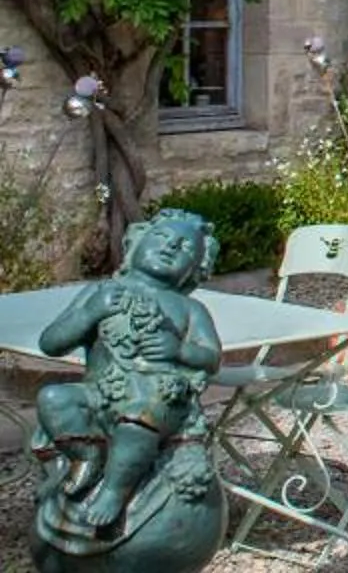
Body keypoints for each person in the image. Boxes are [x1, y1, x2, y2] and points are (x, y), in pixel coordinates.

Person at [31, 209, 223, 542]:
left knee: (139, 419)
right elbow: (51, 343)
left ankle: (115, 491)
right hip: (102, 391)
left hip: (158, 398)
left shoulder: (191, 309)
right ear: (135, 243)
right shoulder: (102, 293)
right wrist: (91, 313)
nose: (171, 248)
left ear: (195, 270)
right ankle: (87, 456)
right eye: (162, 239)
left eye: (185, 250)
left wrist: (179, 350)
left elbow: (211, 357)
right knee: (53, 398)